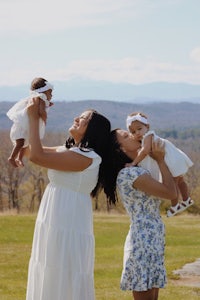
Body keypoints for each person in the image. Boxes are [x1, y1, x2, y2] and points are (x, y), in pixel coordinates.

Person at [25, 97, 112, 300]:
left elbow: (38, 157)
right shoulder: (71, 150)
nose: (76, 119)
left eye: (82, 119)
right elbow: (29, 151)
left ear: (92, 130)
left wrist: (33, 119)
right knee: (48, 265)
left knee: (62, 270)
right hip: (54, 216)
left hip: (68, 220)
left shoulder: (87, 157)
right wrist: (38, 118)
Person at [105, 128, 177, 300]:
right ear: (120, 149)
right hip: (142, 241)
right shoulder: (130, 174)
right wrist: (160, 160)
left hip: (152, 238)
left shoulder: (139, 169)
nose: (132, 135)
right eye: (125, 136)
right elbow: (171, 193)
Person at [126, 112, 194, 217]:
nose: (137, 133)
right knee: (180, 180)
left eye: (139, 129)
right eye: (133, 132)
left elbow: (145, 151)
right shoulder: (147, 137)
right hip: (173, 157)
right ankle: (186, 199)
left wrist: (134, 162)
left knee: (174, 182)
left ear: (147, 126)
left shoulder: (148, 136)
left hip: (170, 160)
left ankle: (175, 205)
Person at [6, 77, 54, 167]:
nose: (51, 95)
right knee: (20, 143)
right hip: (22, 127)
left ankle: (19, 158)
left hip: (24, 126)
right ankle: (12, 157)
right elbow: (41, 110)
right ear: (44, 91)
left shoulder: (35, 98)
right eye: (50, 93)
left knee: (25, 144)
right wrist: (44, 118)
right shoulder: (40, 98)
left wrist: (47, 105)